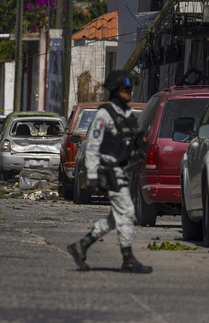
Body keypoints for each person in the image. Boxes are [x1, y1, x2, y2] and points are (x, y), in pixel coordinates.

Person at [67, 70, 152, 274]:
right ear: (115, 90)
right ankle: (127, 258)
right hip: (111, 170)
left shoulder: (127, 113)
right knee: (128, 213)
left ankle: (81, 246)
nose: (130, 92)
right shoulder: (104, 114)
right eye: (125, 89)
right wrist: (93, 176)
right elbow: (93, 146)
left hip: (126, 172)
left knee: (116, 217)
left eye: (131, 88)